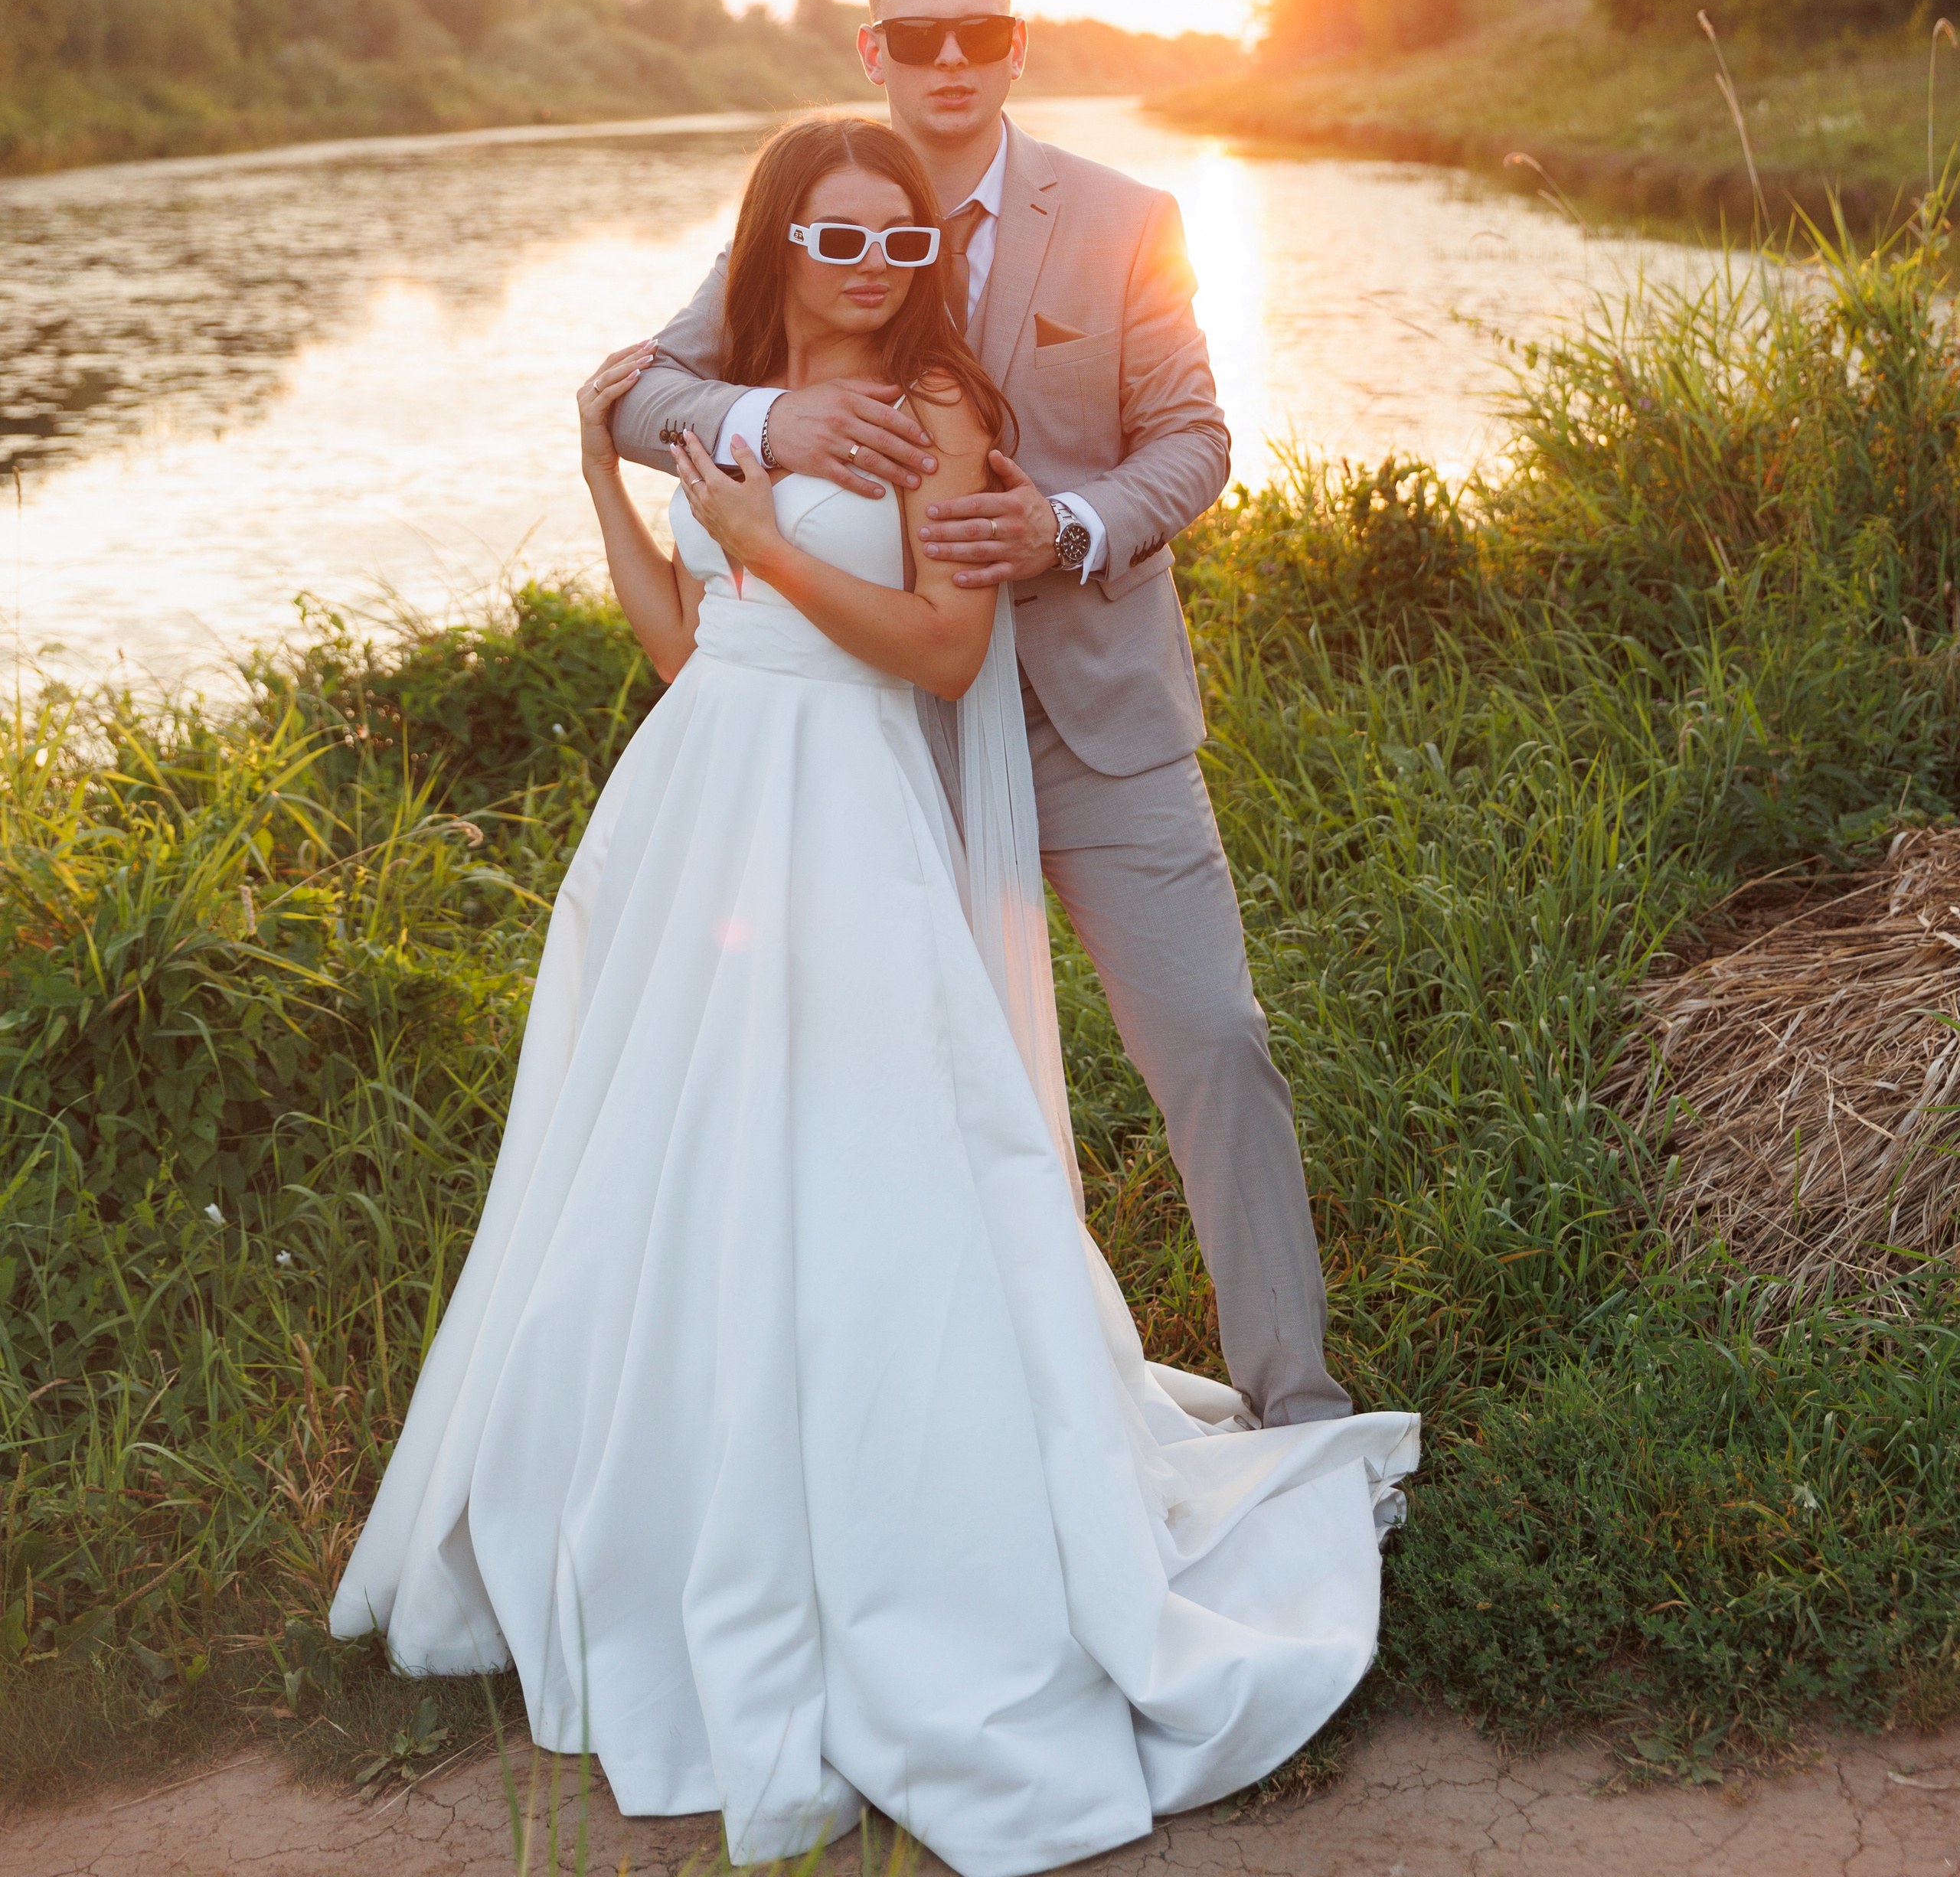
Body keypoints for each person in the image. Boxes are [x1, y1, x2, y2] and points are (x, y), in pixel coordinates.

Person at [329, 111, 1419, 1876]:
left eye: (897, 243)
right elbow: (685, 643)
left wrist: (763, 544)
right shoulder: (732, 392)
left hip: (844, 811)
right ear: (775, 246)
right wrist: (615, 484)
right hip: (697, 803)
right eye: (835, 241)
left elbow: (941, 644)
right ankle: (686, 1500)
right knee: (677, 1161)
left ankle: (954, 1499)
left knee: (880, 1147)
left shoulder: (935, 412)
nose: (869, 268)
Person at [616, 0, 1347, 1430]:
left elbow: (1194, 441)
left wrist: (1062, 523)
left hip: (1094, 717)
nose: (949, 60)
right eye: (916, 36)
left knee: (1211, 1039)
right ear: (869, 51)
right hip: (876, 738)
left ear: (1017, 45)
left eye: (978, 32)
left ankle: (1293, 1395)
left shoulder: (1127, 216)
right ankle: (933, 1429)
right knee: (895, 1085)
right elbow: (643, 393)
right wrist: (775, 423)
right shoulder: (812, 203)